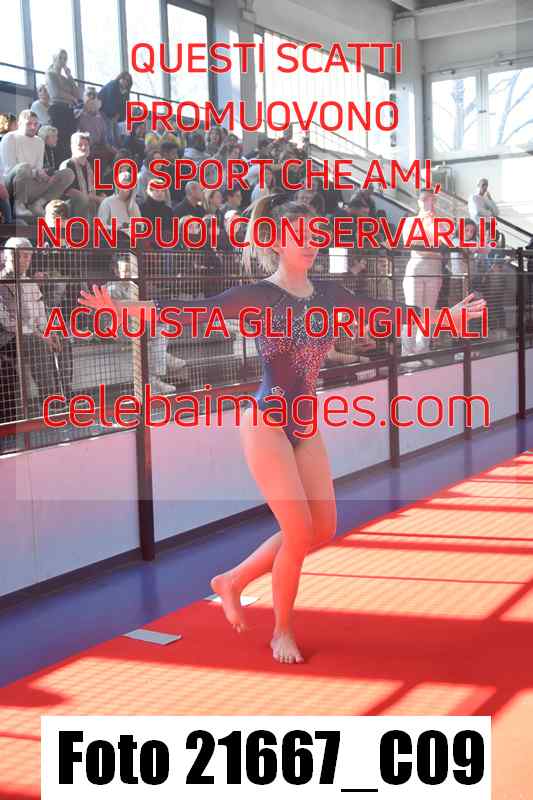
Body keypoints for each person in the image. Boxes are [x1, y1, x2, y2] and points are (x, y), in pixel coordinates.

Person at [80, 194, 486, 664]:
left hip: (305, 423)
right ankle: (282, 631)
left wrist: (445, 317)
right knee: (297, 532)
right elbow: (192, 310)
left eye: (316, 234)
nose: (311, 242)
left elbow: (385, 309)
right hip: (266, 425)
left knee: (322, 528)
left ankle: (232, 580)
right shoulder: (260, 296)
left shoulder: (329, 294)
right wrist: (122, 308)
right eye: (301, 235)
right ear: (276, 242)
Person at [1, 110, 74, 220]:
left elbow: (38, 167)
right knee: (24, 167)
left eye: (36, 124)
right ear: (19, 124)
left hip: (32, 182)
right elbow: (9, 168)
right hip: (12, 185)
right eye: (29, 124)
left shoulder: (39, 141)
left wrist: (43, 174)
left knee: (68, 174)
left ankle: (38, 204)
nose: (33, 127)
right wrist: (35, 172)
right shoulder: (9, 138)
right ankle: (19, 205)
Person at [401, 188, 444, 369]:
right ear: (418, 201)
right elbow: (412, 242)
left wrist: (432, 225)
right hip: (416, 268)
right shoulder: (410, 221)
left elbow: (443, 242)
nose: (428, 202)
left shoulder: (440, 222)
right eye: (425, 199)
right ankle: (407, 354)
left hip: (435, 269)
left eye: (432, 199)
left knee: (428, 312)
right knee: (412, 310)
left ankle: (422, 350)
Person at [45, 49, 82, 165]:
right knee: (59, 140)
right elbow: (56, 92)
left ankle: (69, 166)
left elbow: (77, 94)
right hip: (57, 110)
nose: (62, 61)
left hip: (68, 110)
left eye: (65, 58)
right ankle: (58, 166)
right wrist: (72, 98)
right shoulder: (50, 74)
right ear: (55, 58)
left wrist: (69, 75)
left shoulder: (66, 78)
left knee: (70, 140)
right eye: (60, 57)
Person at [61, 131, 101, 220]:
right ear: (72, 147)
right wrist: (95, 198)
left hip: (89, 199)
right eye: (80, 145)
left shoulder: (90, 166)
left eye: (86, 145)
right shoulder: (67, 165)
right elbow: (68, 191)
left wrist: (102, 197)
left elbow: (97, 188)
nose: (84, 147)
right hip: (70, 204)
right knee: (83, 199)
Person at [98, 72, 133, 148]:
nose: (125, 81)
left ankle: (118, 149)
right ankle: (111, 148)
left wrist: (117, 117)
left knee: (118, 132)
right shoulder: (112, 85)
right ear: (119, 78)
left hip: (113, 115)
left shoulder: (126, 92)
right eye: (123, 78)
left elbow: (125, 107)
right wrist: (114, 117)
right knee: (110, 130)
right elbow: (109, 102)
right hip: (102, 111)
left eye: (127, 80)